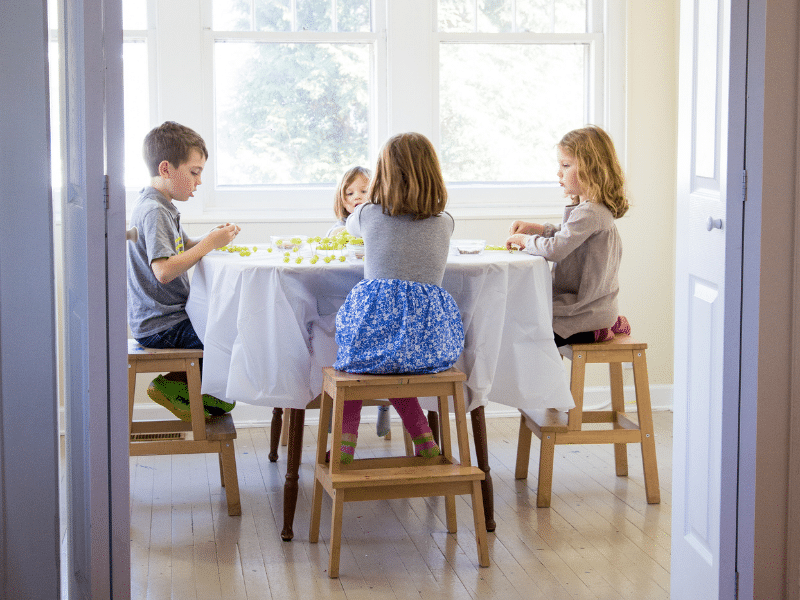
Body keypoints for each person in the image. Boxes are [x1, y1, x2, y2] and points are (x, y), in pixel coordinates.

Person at [333, 132, 464, 463]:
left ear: (382, 174)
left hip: (377, 333)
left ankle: (345, 445)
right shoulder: (445, 223)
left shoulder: (367, 215)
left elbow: (350, 227)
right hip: (429, 342)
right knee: (394, 363)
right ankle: (423, 438)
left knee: (354, 365)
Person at [127, 121, 241, 421]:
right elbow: (164, 270)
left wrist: (213, 238)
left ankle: (195, 393)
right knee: (225, 339)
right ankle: (171, 386)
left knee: (223, 332)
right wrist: (209, 245)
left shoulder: (159, 205)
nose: (199, 181)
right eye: (194, 172)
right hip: (161, 325)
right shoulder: (155, 211)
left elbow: (182, 245)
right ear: (166, 169)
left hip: (162, 319)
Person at [505, 125, 631, 347]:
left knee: (526, 337)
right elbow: (568, 236)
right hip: (593, 309)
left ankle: (598, 332)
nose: (559, 173)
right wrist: (537, 228)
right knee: (526, 322)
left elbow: (556, 249)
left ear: (591, 169)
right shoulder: (592, 208)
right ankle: (606, 324)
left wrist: (525, 241)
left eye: (565, 165)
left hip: (584, 315)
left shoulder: (590, 211)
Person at [326, 165, 370, 238]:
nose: (357, 196)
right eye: (350, 193)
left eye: (364, 191)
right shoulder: (345, 222)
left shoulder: (379, 219)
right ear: (342, 201)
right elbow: (331, 234)